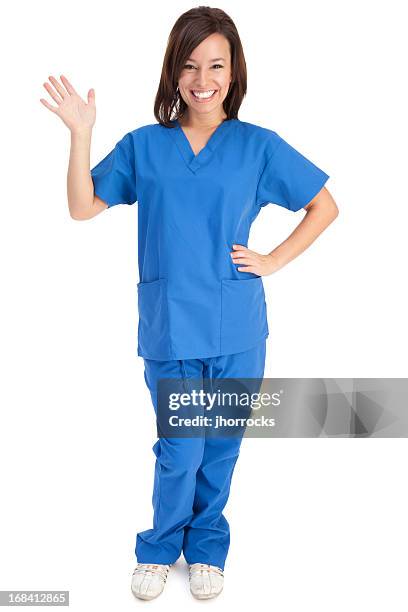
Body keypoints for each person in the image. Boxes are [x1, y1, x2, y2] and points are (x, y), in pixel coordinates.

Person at [40, 5, 338, 602]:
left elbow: (324, 207)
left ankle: (206, 548)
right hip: (172, 324)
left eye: (217, 65)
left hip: (237, 326)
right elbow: (81, 206)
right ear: (173, 73)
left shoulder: (259, 147)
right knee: (180, 448)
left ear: (235, 72)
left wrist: (274, 261)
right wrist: (80, 135)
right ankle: (158, 546)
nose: (204, 78)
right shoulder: (144, 147)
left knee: (220, 447)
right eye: (190, 65)